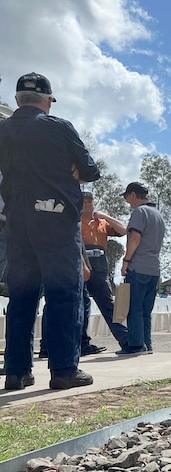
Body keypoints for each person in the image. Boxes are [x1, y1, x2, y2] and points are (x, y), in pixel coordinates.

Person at [0, 72, 100, 390]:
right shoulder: (58, 128)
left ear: (17, 100)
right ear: (48, 101)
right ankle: (64, 369)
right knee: (63, 293)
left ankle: (17, 371)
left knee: (22, 295)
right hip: (54, 219)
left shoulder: (3, 130)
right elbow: (90, 170)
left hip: (16, 222)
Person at [118, 182, 165, 356]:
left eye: (126, 197)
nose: (127, 201)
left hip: (138, 266)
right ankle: (146, 344)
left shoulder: (140, 212)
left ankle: (136, 345)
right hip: (154, 268)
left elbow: (135, 239)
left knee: (134, 308)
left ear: (132, 195)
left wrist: (126, 261)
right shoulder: (157, 214)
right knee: (146, 310)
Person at [81, 191, 130, 352]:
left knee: (109, 304)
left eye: (90, 201)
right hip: (81, 264)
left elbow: (123, 231)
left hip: (100, 267)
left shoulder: (101, 223)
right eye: (84, 201)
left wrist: (106, 217)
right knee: (81, 305)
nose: (87, 203)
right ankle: (82, 343)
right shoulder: (74, 221)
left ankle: (125, 339)